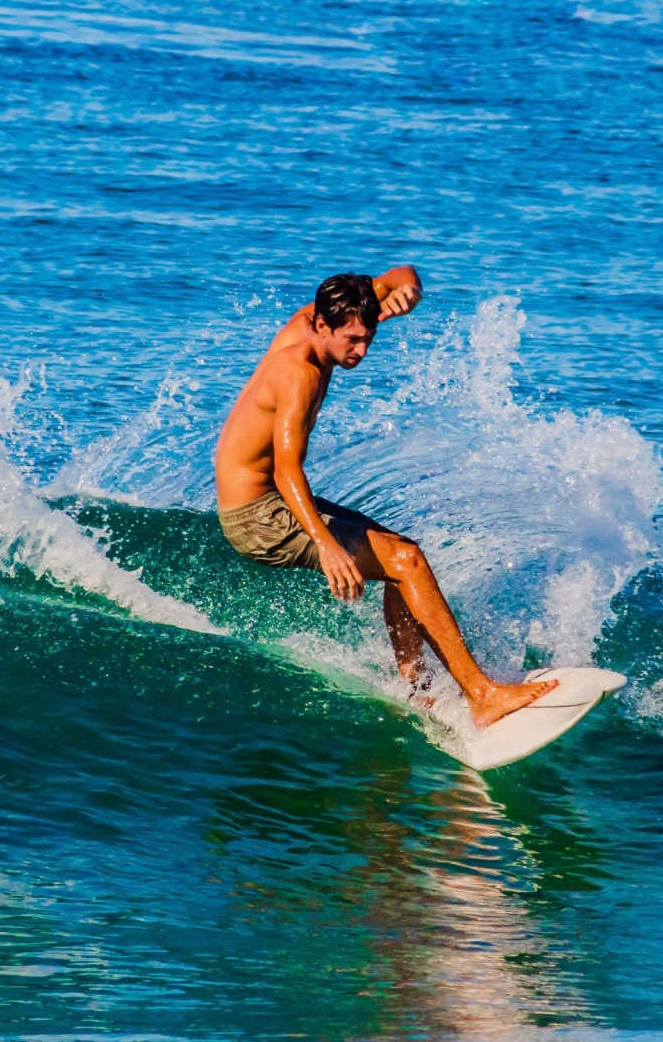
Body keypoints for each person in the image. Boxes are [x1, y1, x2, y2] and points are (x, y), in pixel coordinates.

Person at [214, 268, 556, 726]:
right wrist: (327, 545)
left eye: (369, 337)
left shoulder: (319, 320)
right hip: (258, 516)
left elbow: (399, 275)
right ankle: (482, 695)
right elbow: (286, 466)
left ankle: (415, 686)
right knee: (406, 560)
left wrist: (407, 290)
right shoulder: (299, 374)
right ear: (320, 325)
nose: (361, 350)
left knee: (403, 554)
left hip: (269, 499)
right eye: (351, 340)